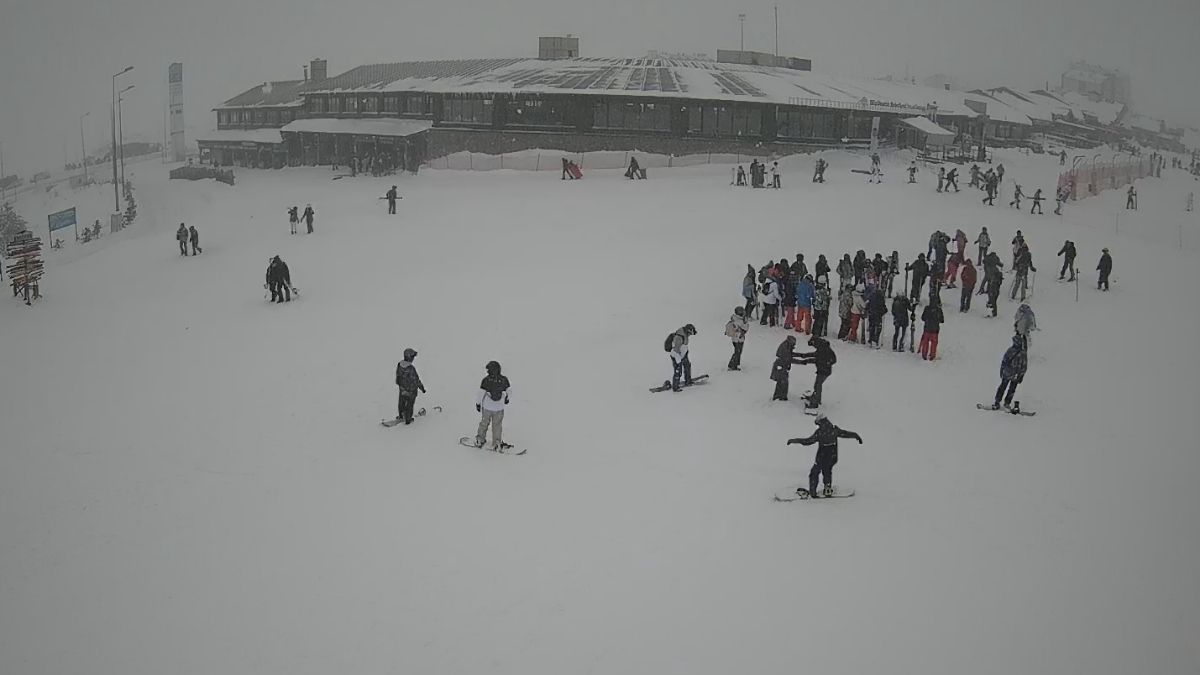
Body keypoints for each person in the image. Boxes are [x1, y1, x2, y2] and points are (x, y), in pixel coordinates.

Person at [785, 413, 862, 498]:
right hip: (832, 456)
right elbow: (846, 434)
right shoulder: (834, 430)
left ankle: (813, 491)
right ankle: (827, 488)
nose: (818, 426)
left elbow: (808, 441)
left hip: (822, 457)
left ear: (820, 422)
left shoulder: (820, 432)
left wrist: (795, 440)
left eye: (818, 424)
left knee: (814, 472)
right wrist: (856, 435)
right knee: (827, 470)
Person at [474, 361, 511, 450]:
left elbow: (481, 393)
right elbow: (509, 391)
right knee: (497, 425)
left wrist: (478, 403)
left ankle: (480, 439)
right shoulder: (504, 380)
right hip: (499, 407)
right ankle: (497, 442)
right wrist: (507, 399)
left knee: (484, 423)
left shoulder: (486, 380)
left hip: (487, 407)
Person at [798, 336, 836, 409]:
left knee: (817, 385)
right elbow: (816, 355)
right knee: (818, 384)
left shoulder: (823, 348)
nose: (814, 347)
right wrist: (804, 355)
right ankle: (816, 398)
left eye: (813, 345)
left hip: (824, 370)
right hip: (824, 369)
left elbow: (817, 359)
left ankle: (815, 402)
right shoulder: (823, 346)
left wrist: (806, 360)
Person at [991, 335, 1028, 410]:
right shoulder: (1022, 353)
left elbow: (1004, 362)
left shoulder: (1011, 350)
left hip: (1008, 373)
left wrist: (1001, 371)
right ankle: (1005, 403)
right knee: (1010, 389)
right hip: (1015, 375)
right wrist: (1021, 375)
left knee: (1004, 388)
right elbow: (1024, 366)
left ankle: (998, 402)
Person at [394, 348, 427, 425]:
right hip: (411, 391)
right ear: (410, 358)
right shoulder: (411, 369)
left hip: (402, 389)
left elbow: (398, 377)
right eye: (412, 357)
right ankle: (408, 419)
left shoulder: (399, 365)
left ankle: (401, 415)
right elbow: (416, 380)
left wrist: (400, 385)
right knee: (409, 405)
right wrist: (422, 388)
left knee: (401, 402)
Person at [771, 335, 801, 400]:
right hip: (781, 366)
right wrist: (801, 362)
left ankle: (778, 396)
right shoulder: (785, 347)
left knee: (780, 382)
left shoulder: (786, 345)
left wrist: (801, 355)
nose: (794, 346)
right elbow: (789, 359)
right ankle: (782, 397)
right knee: (783, 382)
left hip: (781, 366)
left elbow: (790, 354)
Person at [668, 324, 697, 391]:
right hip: (676, 356)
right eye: (690, 333)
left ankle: (688, 380)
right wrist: (679, 361)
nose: (690, 335)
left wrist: (685, 353)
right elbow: (676, 350)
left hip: (683, 355)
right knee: (678, 371)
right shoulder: (679, 337)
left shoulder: (685, 334)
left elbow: (683, 346)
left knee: (687, 366)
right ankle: (675, 387)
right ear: (688, 331)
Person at [726, 307, 749, 371]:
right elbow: (745, 328)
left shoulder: (738, 319)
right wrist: (745, 322)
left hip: (738, 338)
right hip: (737, 339)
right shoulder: (738, 320)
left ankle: (735, 364)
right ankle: (732, 365)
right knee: (737, 352)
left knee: (738, 352)